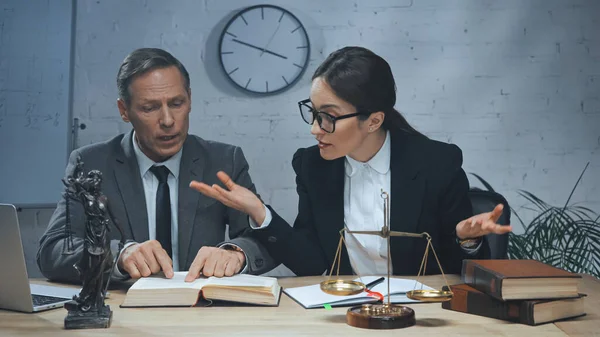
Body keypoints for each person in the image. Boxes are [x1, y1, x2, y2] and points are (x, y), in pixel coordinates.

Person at [190, 46, 512, 276]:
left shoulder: (436, 163)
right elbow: (313, 265)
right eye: (313, 113)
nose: (315, 129)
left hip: (419, 316)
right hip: (345, 314)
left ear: (373, 121)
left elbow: (456, 272)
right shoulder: (312, 166)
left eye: (328, 117)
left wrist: (466, 240)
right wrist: (260, 212)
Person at [37, 48, 274, 283]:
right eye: (149, 108)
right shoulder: (90, 163)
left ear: (189, 100)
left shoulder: (224, 161)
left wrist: (236, 254)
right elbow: (53, 250)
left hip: (202, 309)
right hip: (123, 311)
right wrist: (118, 257)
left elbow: (266, 240)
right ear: (124, 111)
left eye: (177, 103)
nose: (168, 121)